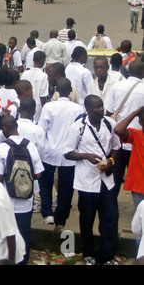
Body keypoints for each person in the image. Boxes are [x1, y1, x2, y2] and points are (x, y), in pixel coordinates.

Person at [63, 95, 121, 265]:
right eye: (97, 107)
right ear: (88, 109)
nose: (101, 109)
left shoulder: (110, 124)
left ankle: (107, 255)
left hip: (106, 180)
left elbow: (117, 147)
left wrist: (110, 161)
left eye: (102, 106)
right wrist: (86, 156)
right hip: (87, 181)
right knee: (87, 219)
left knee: (110, 217)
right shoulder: (78, 128)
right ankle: (89, 252)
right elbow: (68, 152)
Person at [0, 114, 43, 264]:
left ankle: (9, 261)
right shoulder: (30, 145)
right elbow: (38, 174)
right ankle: (22, 261)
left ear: (4, 129)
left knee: (7, 234)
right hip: (26, 201)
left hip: (7, 201)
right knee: (24, 234)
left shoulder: (1, 148)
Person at [37, 78, 84, 230]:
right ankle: (61, 217)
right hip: (69, 154)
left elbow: (42, 129)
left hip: (49, 151)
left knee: (46, 183)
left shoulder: (49, 107)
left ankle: (47, 212)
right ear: (70, 91)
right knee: (66, 187)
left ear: (57, 91)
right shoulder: (78, 109)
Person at [104, 60, 144, 197]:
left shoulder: (117, 86)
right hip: (138, 142)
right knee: (139, 178)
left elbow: (108, 112)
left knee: (115, 177)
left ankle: (110, 207)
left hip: (118, 140)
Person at [114, 107, 144, 211]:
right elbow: (118, 129)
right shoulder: (136, 135)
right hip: (139, 186)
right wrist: (135, 112)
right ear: (140, 122)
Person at [20, 50, 49, 122]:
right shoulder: (44, 76)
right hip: (37, 107)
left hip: (24, 105)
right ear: (43, 61)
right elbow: (43, 96)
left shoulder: (25, 74)